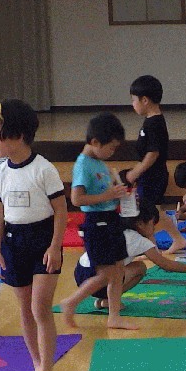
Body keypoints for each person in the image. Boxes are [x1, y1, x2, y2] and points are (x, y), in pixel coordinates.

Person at [0, 99, 68, 371]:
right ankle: (36, 362)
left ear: (18, 136)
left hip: (43, 242)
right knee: (25, 310)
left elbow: (61, 211)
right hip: (14, 243)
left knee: (40, 308)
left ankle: (47, 368)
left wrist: (55, 246)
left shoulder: (44, 169)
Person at [59, 207, 186, 330]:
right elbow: (166, 264)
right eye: (152, 224)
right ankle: (74, 301)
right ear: (140, 224)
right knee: (128, 270)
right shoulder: (138, 240)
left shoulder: (119, 228)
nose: (154, 228)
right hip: (93, 275)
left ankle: (105, 301)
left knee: (118, 270)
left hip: (80, 270)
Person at [59, 113, 135, 331]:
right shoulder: (83, 165)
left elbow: (105, 193)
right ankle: (71, 301)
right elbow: (77, 199)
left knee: (118, 270)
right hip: (97, 223)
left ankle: (114, 316)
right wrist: (107, 195)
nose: (113, 152)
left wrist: (119, 195)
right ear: (95, 142)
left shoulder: (99, 163)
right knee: (106, 273)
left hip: (111, 219)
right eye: (111, 147)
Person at [121, 74, 169, 218]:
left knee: (149, 214)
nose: (132, 104)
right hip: (148, 176)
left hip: (154, 178)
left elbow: (153, 153)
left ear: (145, 100)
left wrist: (135, 172)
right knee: (147, 211)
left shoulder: (155, 123)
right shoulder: (150, 121)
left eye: (133, 100)